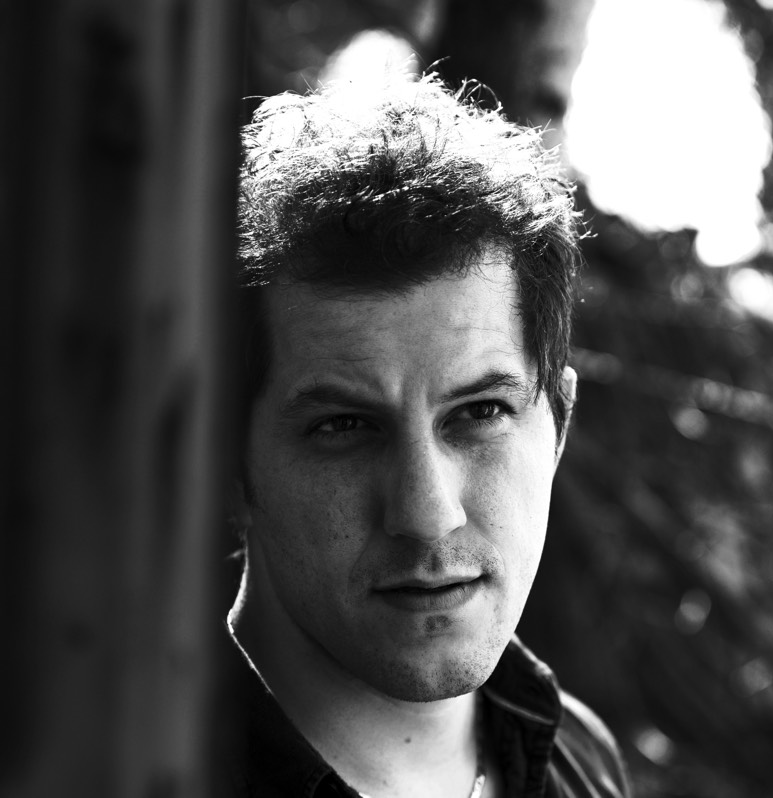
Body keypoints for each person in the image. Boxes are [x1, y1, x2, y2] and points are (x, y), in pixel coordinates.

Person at [225, 73, 630, 798]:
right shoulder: (105, 767)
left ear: (559, 426)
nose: (427, 512)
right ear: (226, 467)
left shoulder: (582, 761)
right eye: (344, 427)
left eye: (480, 413)